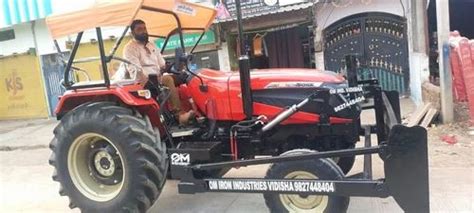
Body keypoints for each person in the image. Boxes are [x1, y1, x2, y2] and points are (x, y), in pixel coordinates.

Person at [123, 19, 194, 125]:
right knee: (168, 79)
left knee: (187, 77)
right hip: (144, 81)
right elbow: (136, 71)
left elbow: (162, 65)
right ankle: (179, 115)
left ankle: (196, 110)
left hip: (158, 77)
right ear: (132, 33)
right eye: (139, 29)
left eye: (144, 28)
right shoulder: (130, 48)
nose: (143, 31)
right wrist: (152, 79)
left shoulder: (151, 45)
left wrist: (175, 66)